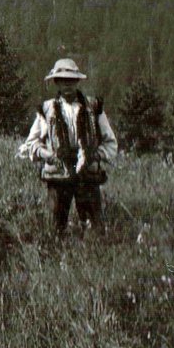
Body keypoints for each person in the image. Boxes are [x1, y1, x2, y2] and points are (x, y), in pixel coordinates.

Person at [19, 58, 117, 236]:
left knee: (93, 228)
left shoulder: (93, 107)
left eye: (71, 80)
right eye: (63, 81)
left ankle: (92, 256)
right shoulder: (47, 109)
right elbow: (31, 143)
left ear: (77, 82)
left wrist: (93, 155)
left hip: (87, 175)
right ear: (56, 82)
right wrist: (47, 154)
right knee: (55, 227)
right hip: (58, 176)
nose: (68, 85)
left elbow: (111, 143)